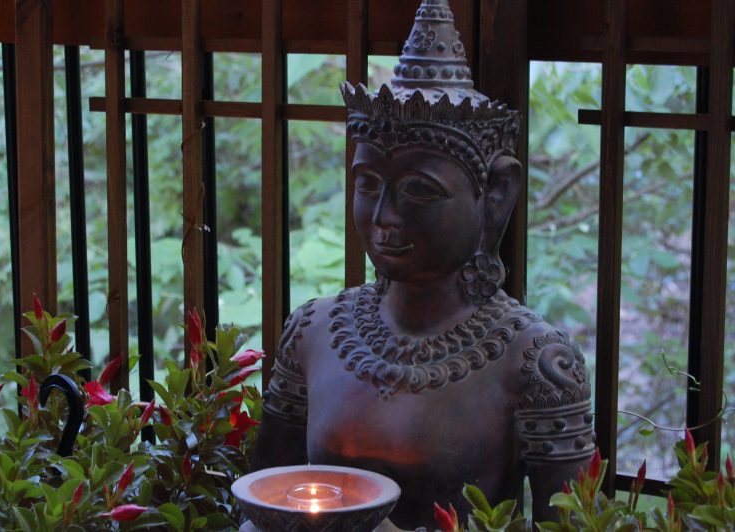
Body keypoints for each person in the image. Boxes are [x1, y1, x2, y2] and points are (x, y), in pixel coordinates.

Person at [253, 1, 595, 529]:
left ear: (496, 194)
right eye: (368, 185)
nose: (384, 217)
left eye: (419, 190)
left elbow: (576, 523)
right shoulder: (314, 331)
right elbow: (263, 496)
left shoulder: (536, 361)